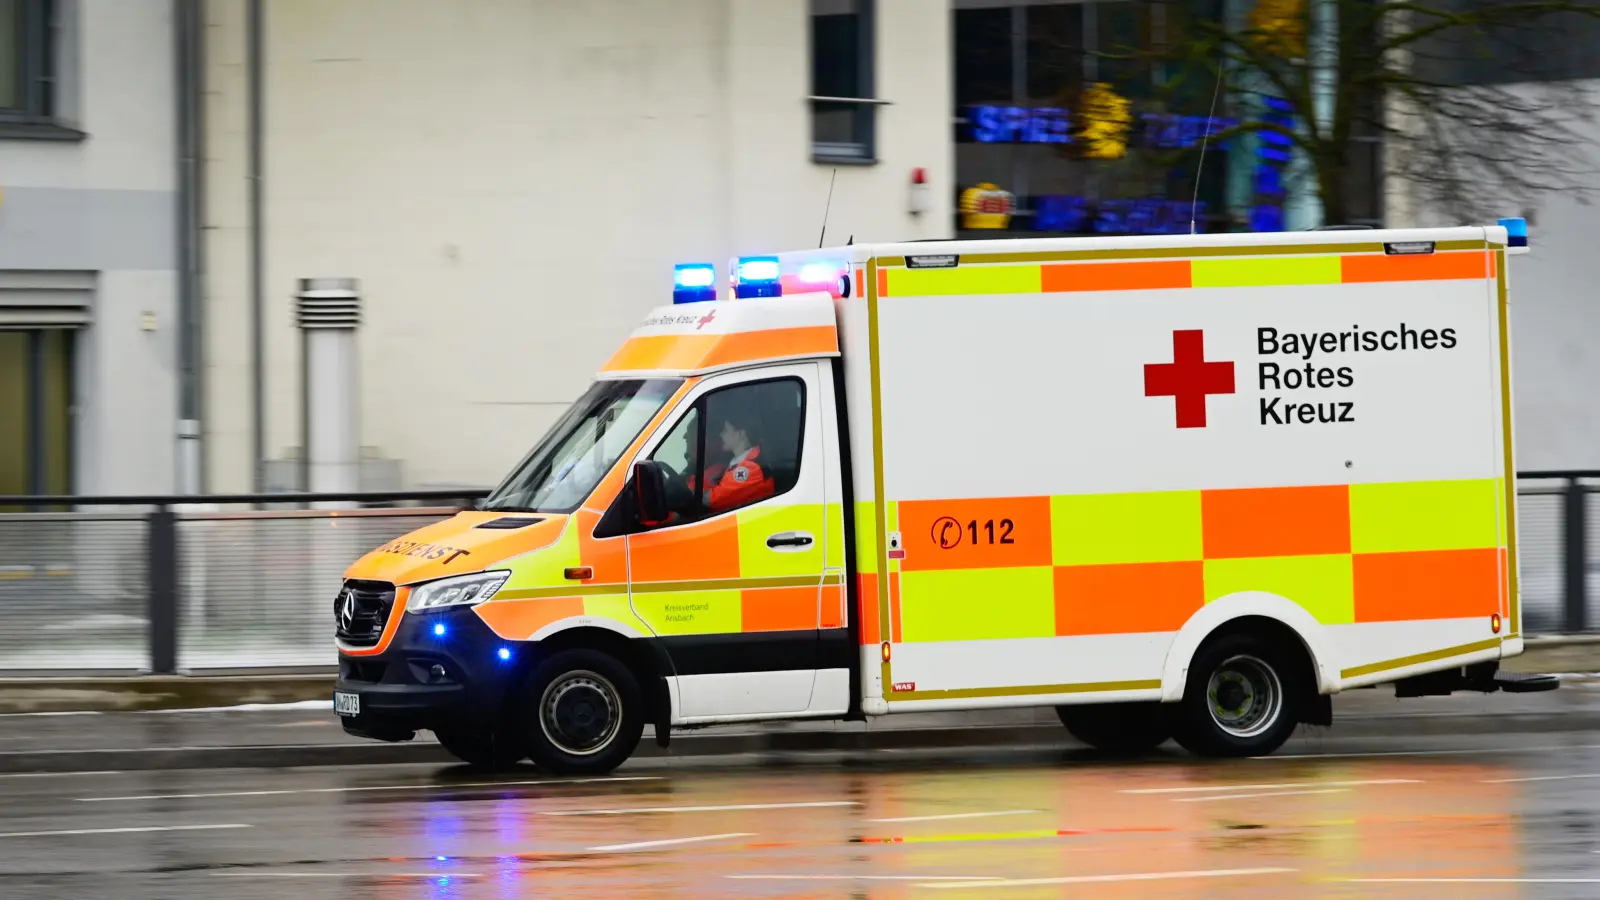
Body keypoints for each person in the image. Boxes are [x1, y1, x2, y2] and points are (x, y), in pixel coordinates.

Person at [698, 415, 774, 512]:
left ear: (741, 434)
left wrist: (689, 495)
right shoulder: (742, 461)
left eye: (725, 430)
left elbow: (713, 500)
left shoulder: (751, 468)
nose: (721, 435)